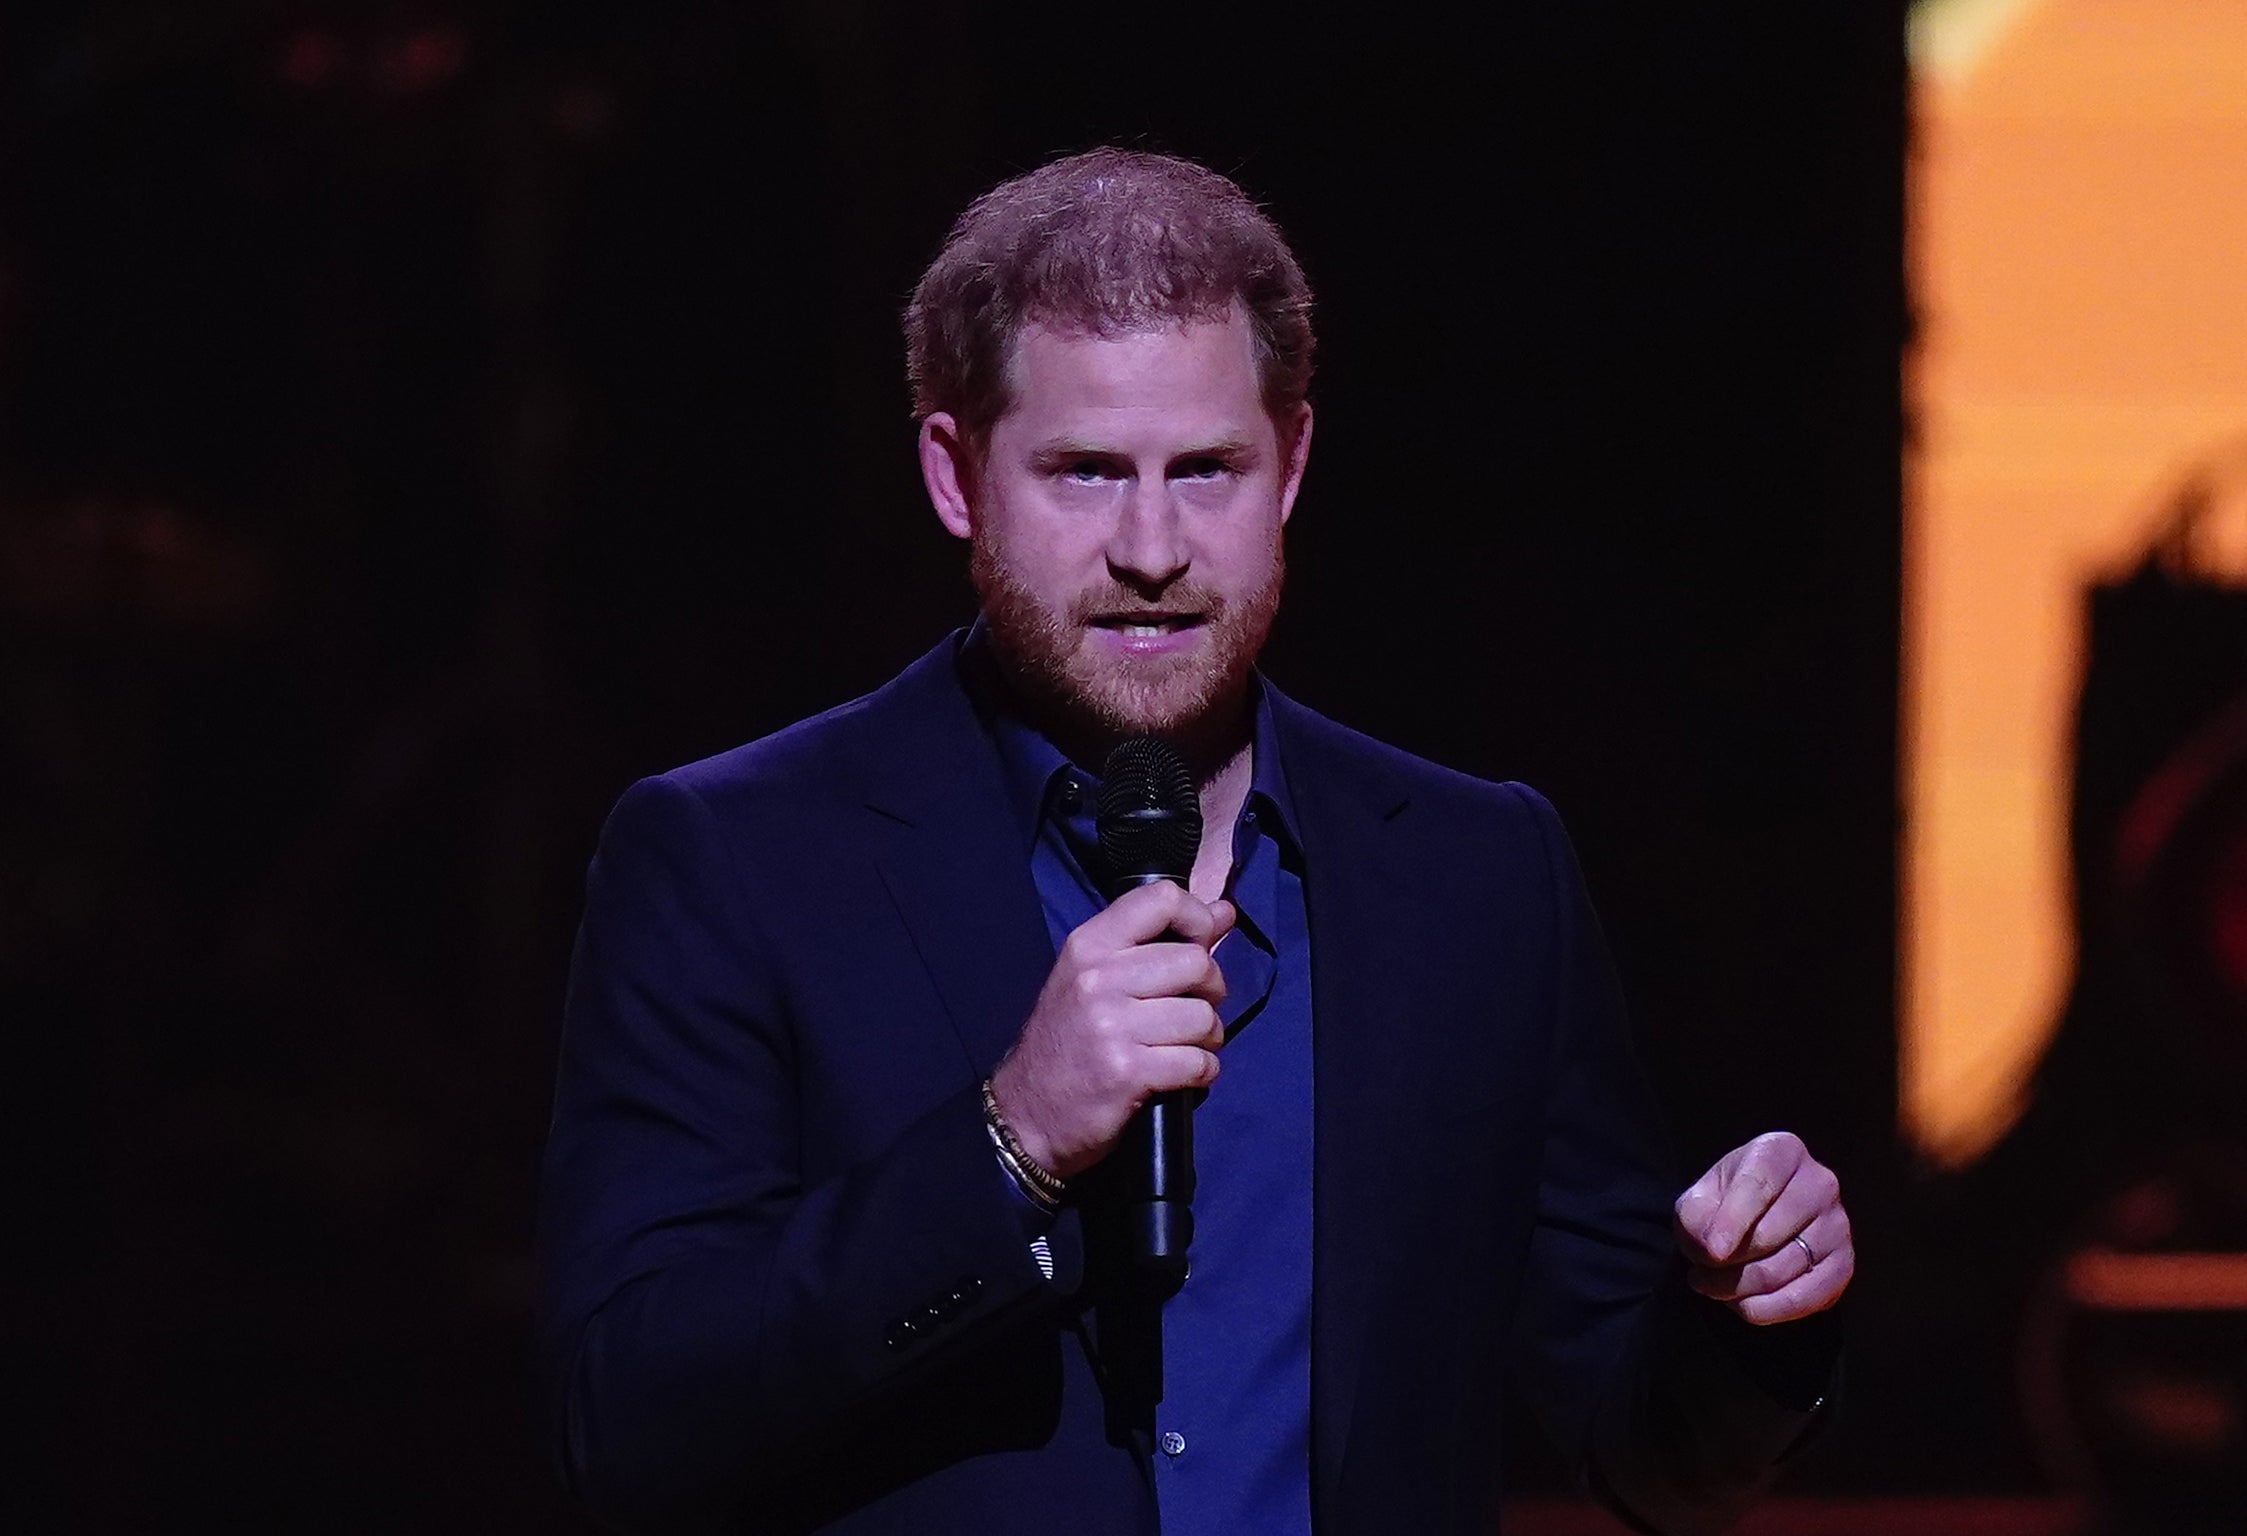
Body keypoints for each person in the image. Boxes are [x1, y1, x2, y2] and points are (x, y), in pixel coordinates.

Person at [538, 147, 1854, 1536]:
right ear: (955, 474)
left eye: (1207, 470)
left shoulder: (1474, 873)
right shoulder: (737, 859)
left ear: (1290, 461)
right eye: (1088, 473)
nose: (1153, 545)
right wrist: (1010, 1144)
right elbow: (623, 1423)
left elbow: (1640, 1443)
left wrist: (1752, 1318)